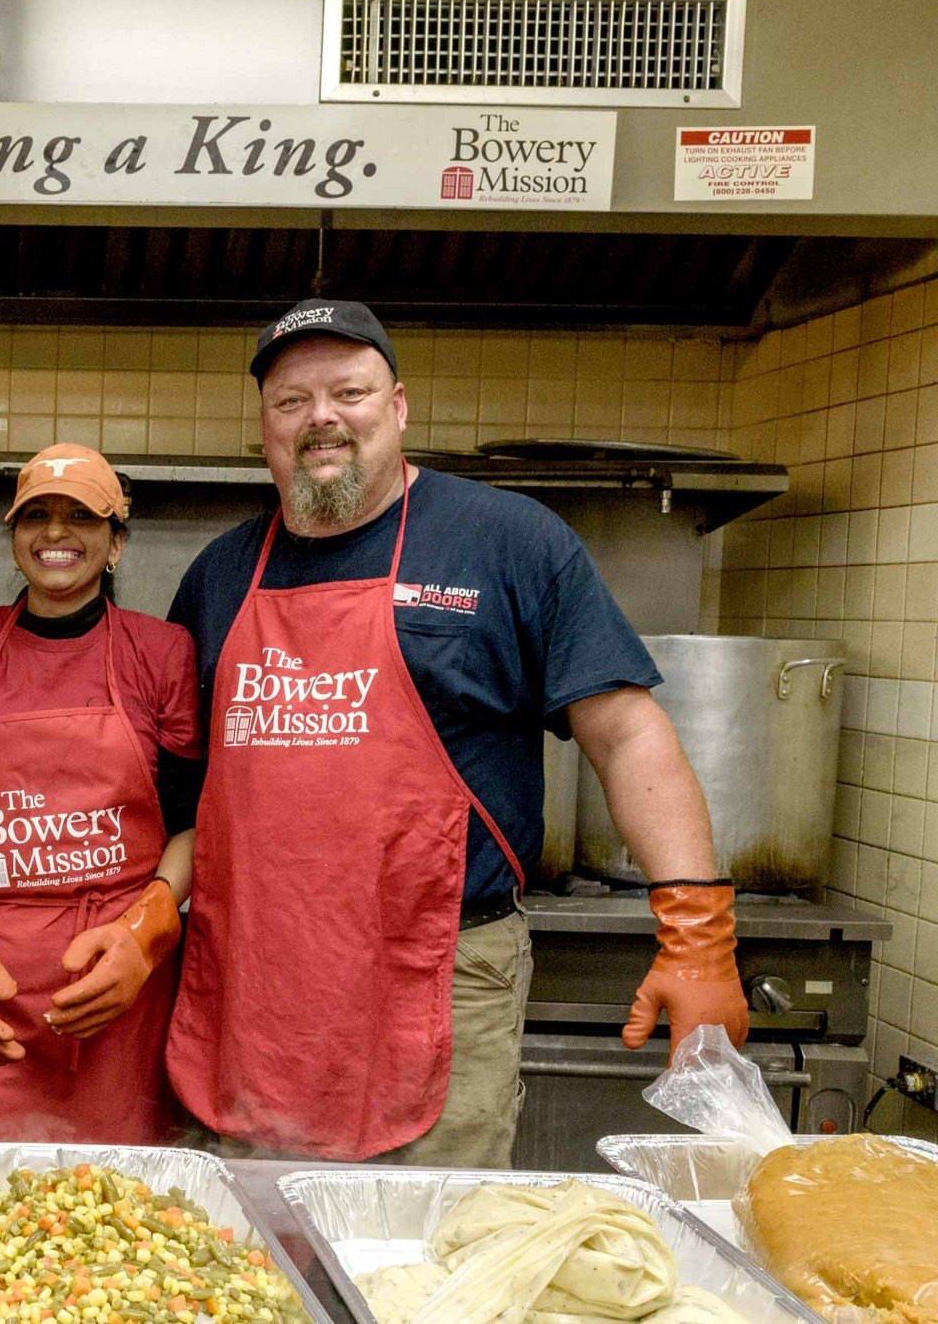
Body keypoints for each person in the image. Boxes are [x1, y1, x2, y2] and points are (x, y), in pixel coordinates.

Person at [166, 300, 749, 1166]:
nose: (321, 417)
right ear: (265, 429)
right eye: (291, 401)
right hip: (259, 979)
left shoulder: (508, 543)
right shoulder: (220, 575)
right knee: (253, 1260)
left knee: (428, 1255)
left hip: (438, 975)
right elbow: (184, 786)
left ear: (398, 407)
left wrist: (698, 929)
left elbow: (626, 732)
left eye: (348, 392)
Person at [0, 444, 204, 1143]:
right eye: (36, 515)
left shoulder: (162, 654)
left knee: (126, 1211)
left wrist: (143, 930)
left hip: (121, 980)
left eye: (82, 518)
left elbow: (192, 820)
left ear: (116, 541)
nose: (56, 534)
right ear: (13, 537)